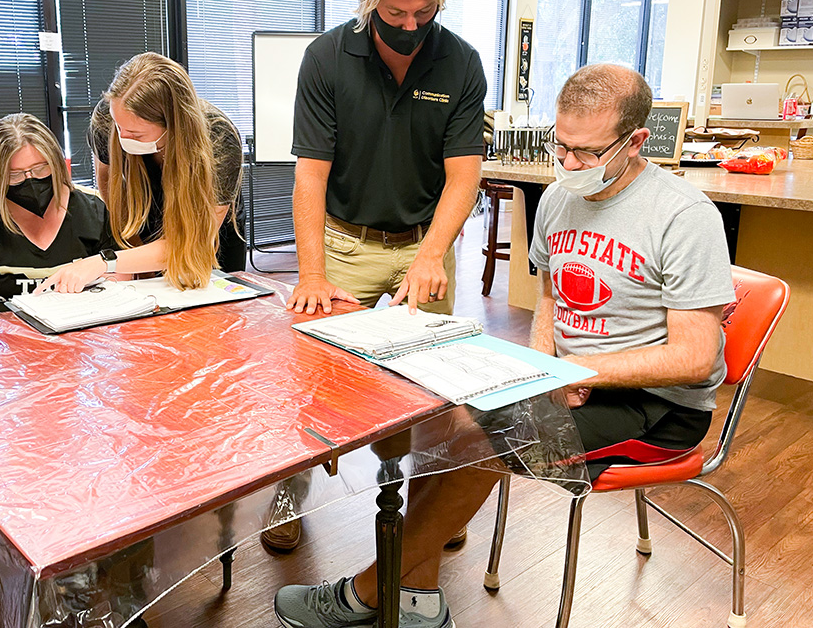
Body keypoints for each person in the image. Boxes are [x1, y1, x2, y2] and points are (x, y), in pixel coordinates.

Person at [273, 64, 735, 628]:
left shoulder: (684, 217)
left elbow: (693, 360)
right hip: (572, 378)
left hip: (656, 407)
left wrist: (576, 373)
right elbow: (550, 299)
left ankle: (366, 594)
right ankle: (416, 593)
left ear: (637, 142)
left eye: (586, 153)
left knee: (480, 437)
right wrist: (544, 369)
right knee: (442, 414)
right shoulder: (562, 198)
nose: (567, 164)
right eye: (558, 146)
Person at [287, 0, 486, 318]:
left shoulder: (462, 63)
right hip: (346, 248)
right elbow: (311, 175)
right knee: (331, 368)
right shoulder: (326, 58)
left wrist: (432, 254)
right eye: (396, 12)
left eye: (424, 11)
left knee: (426, 369)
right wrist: (311, 274)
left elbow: (463, 176)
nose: (411, 26)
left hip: (425, 245)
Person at [41, 52, 244, 293]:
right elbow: (110, 189)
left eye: (135, 134)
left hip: (208, 224)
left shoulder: (218, 140)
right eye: (119, 127)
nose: (122, 137)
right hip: (144, 205)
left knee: (212, 306)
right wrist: (132, 249)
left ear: (173, 125)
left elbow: (191, 245)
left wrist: (104, 261)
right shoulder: (109, 120)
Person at [0, 113, 116, 320]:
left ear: (56, 163)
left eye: (40, 169)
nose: (31, 181)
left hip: (82, 338)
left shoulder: (93, 214)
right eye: (14, 175)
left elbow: (119, 295)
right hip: (3, 345)